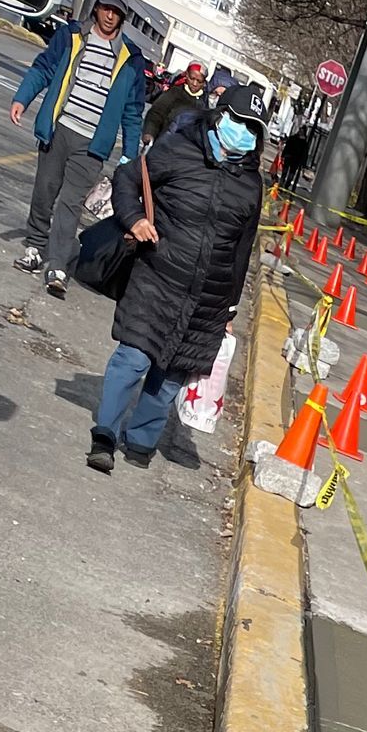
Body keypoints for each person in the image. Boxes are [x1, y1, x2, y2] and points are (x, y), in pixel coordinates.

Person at [88, 78, 265, 473]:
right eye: (240, 121)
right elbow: (128, 178)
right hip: (156, 276)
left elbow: (242, 251)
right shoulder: (179, 149)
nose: (246, 133)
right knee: (133, 357)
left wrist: (230, 311)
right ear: (221, 117)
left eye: (254, 128)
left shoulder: (252, 184)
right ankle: (104, 434)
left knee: (169, 374)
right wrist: (133, 219)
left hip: (208, 296)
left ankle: (142, 441)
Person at [10, 0, 148, 299]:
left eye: (117, 11)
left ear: (123, 16)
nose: (110, 15)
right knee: (44, 192)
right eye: (105, 8)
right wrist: (23, 98)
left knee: (70, 204)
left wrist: (129, 153)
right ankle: (34, 246)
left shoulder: (131, 60)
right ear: (96, 8)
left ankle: (57, 265)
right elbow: (44, 68)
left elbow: (132, 110)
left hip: (92, 144)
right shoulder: (72, 37)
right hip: (59, 129)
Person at [145, 58, 205, 143]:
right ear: (186, 75)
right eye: (192, 78)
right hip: (162, 141)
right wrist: (149, 133)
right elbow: (156, 113)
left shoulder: (204, 102)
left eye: (199, 81)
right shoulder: (174, 92)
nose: (195, 83)